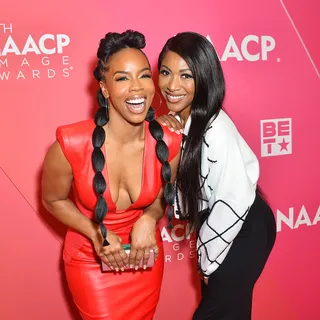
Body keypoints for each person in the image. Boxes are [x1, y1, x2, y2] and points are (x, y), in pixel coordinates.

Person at [41, 30, 181, 320]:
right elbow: (53, 200)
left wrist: (150, 218)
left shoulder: (169, 143)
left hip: (144, 258)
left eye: (144, 76)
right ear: (104, 88)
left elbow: (159, 198)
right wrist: (95, 233)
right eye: (122, 78)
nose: (137, 88)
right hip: (91, 260)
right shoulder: (71, 143)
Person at [157, 32, 276, 320]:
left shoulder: (215, 129)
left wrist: (208, 262)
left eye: (186, 76)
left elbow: (233, 200)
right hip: (220, 225)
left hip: (244, 226)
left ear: (205, 78)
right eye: (165, 72)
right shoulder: (180, 123)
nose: (173, 85)